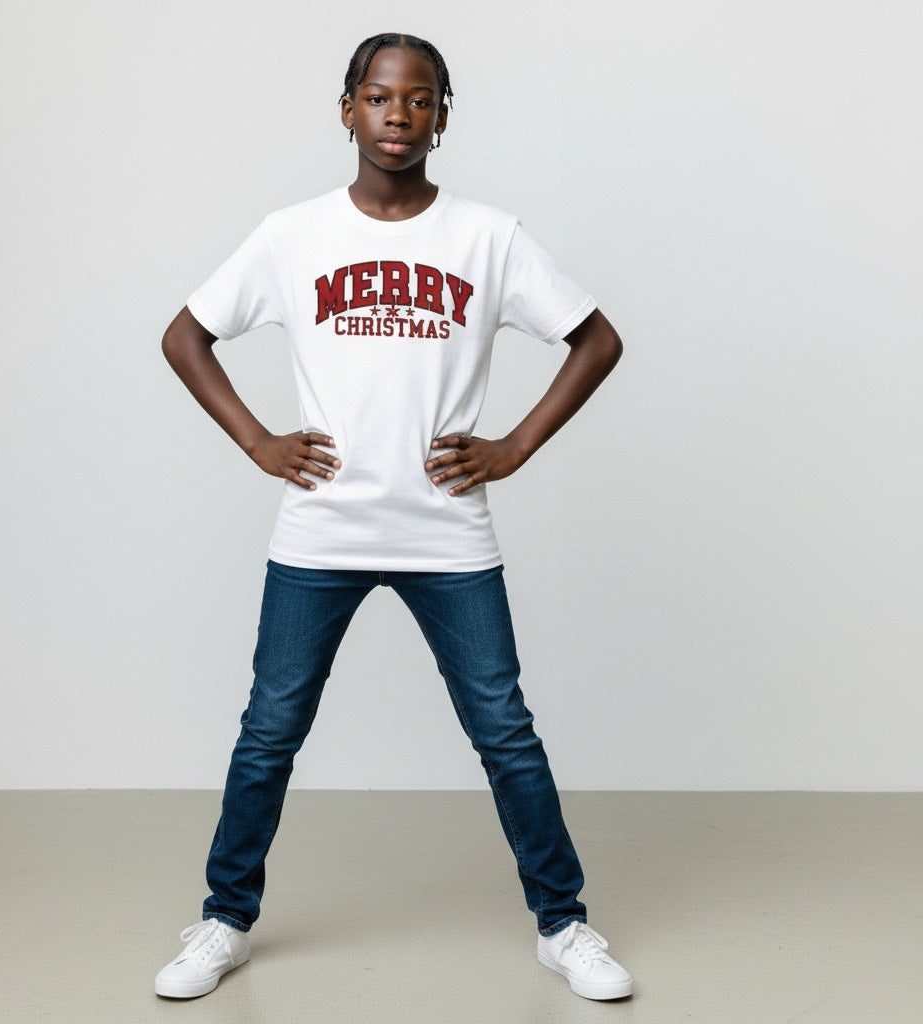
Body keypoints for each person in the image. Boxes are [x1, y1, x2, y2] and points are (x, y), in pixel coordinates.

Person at [154, 32, 632, 1003]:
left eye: (419, 99)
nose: (397, 115)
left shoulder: (487, 237)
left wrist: (514, 445)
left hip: (445, 530)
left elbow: (596, 339)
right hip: (321, 528)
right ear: (347, 109)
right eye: (378, 97)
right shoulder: (292, 234)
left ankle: (564, 925)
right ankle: (224, 918)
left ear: (442, 116)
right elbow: (186, 335)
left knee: (504, 729)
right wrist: (257, 440)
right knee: (269, 729)